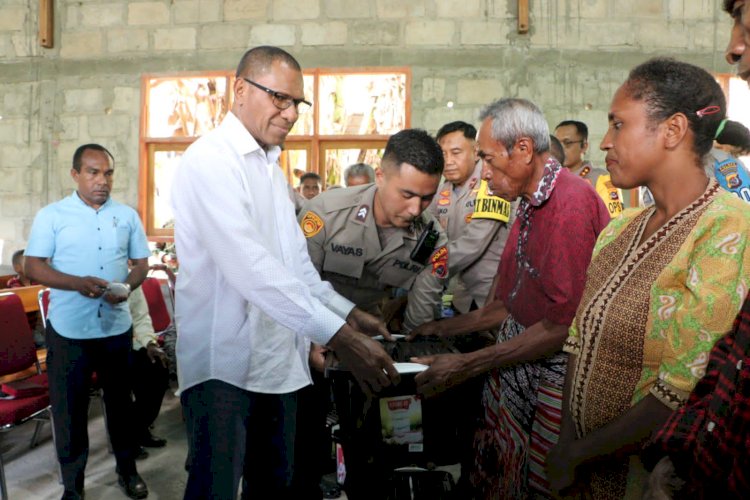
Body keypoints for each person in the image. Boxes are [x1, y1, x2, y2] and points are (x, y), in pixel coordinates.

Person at [170, 46, 398, 500]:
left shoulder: (271, 171)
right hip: (224, 366)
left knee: (276, 486)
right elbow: (250, 271)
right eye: (280, 98)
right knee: (214, 488)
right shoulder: (211, 160)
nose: (291, 113)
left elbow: (295, 268)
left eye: (298, 103)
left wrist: (349, 314)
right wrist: (342, 339)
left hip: (276, 362)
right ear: (239, 90)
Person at [546, 58, 750, 500]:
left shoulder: (727, 228)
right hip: (582, 471)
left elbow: (684, 384)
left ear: (673, 131)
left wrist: (579, 454)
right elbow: (580, 341)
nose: (604, 141)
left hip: (647, 477)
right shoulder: (621, 228)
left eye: (618, 125)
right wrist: (565, 443)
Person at [408, 98, 610, 498]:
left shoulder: (568, 205)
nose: (483, 173)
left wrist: (467, 364)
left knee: (541, 482)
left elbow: (560, 327)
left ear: (522, 149)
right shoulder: (529, 202)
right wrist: (437, 328)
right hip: (520, 357)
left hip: (555, 371)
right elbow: (506, 305)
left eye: (487, 158)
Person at [638, 4, 750, 497]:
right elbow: (736, 351)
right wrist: (686, 449)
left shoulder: (727, 211)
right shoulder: (634, 219)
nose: (734, 48)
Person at [24, 144, 151, 500]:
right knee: (70, 412)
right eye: (93, 173)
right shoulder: (52, 216)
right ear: (75, 174)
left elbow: (141, 264)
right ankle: (73, 486)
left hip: (115, 328)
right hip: (69, 330)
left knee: (121, 406)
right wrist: (76, 283)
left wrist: (127, 286)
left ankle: (128, 471)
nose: (102, 181)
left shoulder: (126, 216)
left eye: (108, 173)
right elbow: (33, 266)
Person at [428, 121, 513, 315]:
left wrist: (428, 267)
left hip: (490, 296)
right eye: (443, 154)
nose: (448, 161)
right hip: (458, 296)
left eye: (456, 153)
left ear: (476, 152)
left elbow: (473, 243)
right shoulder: (443, 189)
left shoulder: (490, 183)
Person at [127, 283, 169, 453]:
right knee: (117, 382)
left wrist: (150, 343)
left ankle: (138, 427)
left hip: (132, 343)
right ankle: (127, 438)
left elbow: (140, 317)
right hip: (99, 348)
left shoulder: (130, 278)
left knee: (158, 368)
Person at [554, 119, 624, 217]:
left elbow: (614, 223)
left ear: (584, 146)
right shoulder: (550, 178)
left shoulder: (600, 178)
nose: (561, 149)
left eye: (567, 143)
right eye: (557, 144)